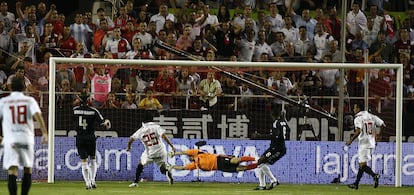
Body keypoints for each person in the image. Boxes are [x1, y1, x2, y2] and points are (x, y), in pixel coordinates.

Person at [0, 76, 48, 195]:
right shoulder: (29, 101)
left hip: (11, 139)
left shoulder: (3, 102)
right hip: (26, 138)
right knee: (27, 168)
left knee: (12, 170)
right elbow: (38, 116)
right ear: (23, 87)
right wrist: (45, 133)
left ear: (10, 87)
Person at [73, 89, 111, 190]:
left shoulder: (75, 110)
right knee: (93, 159)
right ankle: (93, 180)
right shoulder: (94, 111)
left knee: (84, 161)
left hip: (80, 138)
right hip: (90, 138)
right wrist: (107, 122)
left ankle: (87, 183)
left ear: (79, 100)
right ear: (89, 99)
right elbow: (103, 122)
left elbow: (72, 121)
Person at [127, 111, 176, 187]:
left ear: (143, 120)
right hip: (162, 151)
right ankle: (167, 172)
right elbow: (164, 136)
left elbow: (131, 139)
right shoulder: (156, 127)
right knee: (162, 167)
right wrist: (172, 146)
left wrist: (129, 147)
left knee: (140, 164)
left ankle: (135, 182)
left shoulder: (141, 130)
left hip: (150, 153)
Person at [346, 102, 384, 190]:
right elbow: (383, 124)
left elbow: (358, 131)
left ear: (358, 108)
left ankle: (375, 175)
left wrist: (351, 140)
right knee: (362, 165)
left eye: (355, 107)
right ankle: (356, 184)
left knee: (362, 165)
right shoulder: (371, 116)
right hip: (371, 143)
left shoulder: (358, 118)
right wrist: (379, 136)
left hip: (364, 144)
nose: (353, 109)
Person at [254, 111, 290, 190]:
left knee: (260, 162)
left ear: (274, 116)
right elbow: (288, 130)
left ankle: (273, 181)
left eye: (271, 115)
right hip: (276, 148)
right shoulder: (283, 122)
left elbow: (275, 136)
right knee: (260, 163)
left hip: (277, 149)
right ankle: (262, 185)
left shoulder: (276, 123)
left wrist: (260, 136)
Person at [168, 149, 257, 172]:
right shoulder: (194, 165)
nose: (189, 158)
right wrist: (172, 167)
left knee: (236, 161)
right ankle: (257, 165)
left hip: (218, 159)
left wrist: (174, 154)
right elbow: (183, 168)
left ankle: (256, 159)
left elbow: (183, 152)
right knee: (241, 168)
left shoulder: (196, 153)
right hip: (220, 167)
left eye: (189, 157)